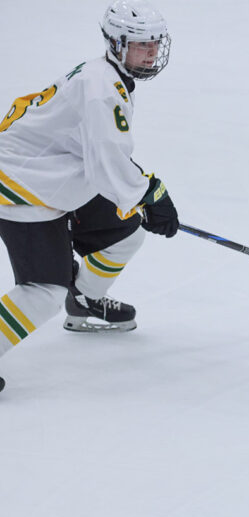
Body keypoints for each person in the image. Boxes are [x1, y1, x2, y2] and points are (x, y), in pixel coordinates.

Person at [0, 0, 179, 393]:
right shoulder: (102, 89)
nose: (151, 52)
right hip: (20, 186)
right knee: (43, 291)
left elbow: (100, 153)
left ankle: (84, 300)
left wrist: (141, 195)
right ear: (116, 43)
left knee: (126, 233)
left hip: (54, 176)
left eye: (155, 43)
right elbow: (107, 160)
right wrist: (148, 192)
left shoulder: (107, 76)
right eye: (141, 44)